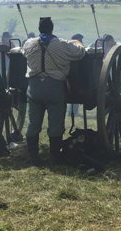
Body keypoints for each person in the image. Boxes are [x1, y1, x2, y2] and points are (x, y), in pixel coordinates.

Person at [22, 17, 85, 166]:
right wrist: (78, 42)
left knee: (33, 124)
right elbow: (80, 53)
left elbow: (23, 53)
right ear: (52, 28)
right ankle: (55, 157)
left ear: (39, 29)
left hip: (34, 88)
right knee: (56, 124)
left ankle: (33, 156)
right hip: (54, 87)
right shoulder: (61, 44)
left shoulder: (29, 43)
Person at [67, 33, 84, 118]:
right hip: (79, 77)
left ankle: (71, 112)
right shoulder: (78, 49)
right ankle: (71, 112)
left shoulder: (67, 49)